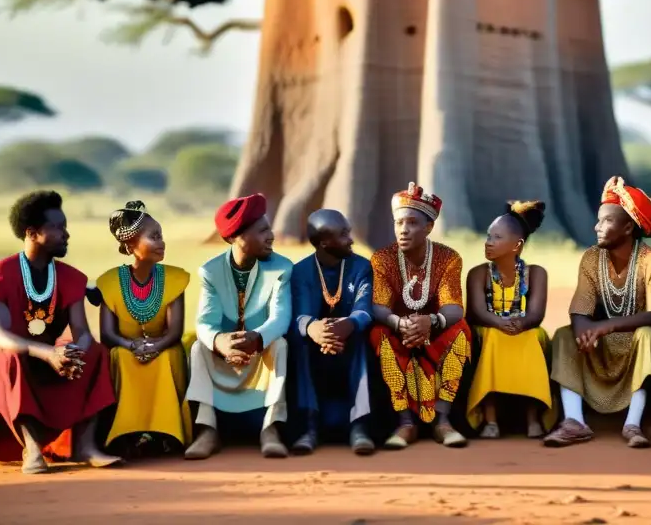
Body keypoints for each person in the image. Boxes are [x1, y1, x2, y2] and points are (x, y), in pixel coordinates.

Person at [0, 190, 119, 473]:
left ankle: (86, 444)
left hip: (49, 353)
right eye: (57, 227)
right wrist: (48, 353)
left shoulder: (70, 277)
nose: (66, 234)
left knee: (95, 352)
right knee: (10, 358)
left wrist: (74, 352)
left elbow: (81, 330)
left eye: (65, 226)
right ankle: (31, 449)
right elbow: (1, 338)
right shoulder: (0, 275)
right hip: (7, 357)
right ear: (32, 233)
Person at [545, 176, 651, 449]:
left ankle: (633, 423)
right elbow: (580, 309)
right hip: (598, 345)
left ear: (628, 227)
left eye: (606, 221)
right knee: (565, 335)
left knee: (649, 335)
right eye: (598, 220)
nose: (597, 227)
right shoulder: (592, 258)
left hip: (633, 343)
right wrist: (583, 331)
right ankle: (574, 421)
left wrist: (607, 326)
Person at [184, 193, 292, 460]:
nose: (271, 235)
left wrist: (256, 339)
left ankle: (271, 428)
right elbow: (205, 322)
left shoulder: (282, 268)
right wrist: (221, 342)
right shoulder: (210, 271)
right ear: (236, 238)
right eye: (263, 230)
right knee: (199, 347)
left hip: (260, 350)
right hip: (225, 354)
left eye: (269, 228)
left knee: (280, 344)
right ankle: (207, 430)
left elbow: (280, 317)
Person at [370, 182, 471, 449]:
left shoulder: (448, 258)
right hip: (399, 331)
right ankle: (405, 423)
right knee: (378, 333)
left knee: (461, 330)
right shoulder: (382, 259)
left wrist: (431, 322)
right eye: (398, 222)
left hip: (434, 331)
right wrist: (400, 323)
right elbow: (379, 306)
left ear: (429, 227)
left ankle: (443, 421)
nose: (403, 230)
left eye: (412, 223)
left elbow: (453, 307)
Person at [96, 201, 191, 455]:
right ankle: (127, 434)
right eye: (154, 236)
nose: (162, 242)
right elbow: (107, 334)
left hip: (164, 346)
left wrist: (155, 345)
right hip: (126, 348)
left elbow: (175, 332)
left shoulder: (174, 278)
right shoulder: (109, 281)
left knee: (170, 355)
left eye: (161, 235)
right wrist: (132, 345)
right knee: (121, 357)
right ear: (131, 247)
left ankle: (167, 434)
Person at [287, 209, 375, 456]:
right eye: (344, 234)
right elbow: (300, 314)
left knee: (362, 336)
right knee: (300, 341)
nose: (351, 239)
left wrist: (346, 326)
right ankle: (309, 427)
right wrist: (313, 328)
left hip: (350, 343)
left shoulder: (362, 267)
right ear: (325, 242)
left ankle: (360, 426)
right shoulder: (301, 271)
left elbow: (364, 309)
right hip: (316, 347)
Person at [465, 200, 554, 439]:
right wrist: (499, 323)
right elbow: (475, 312)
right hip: (489, 328)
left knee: (533, 337)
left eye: (497, 237)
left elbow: (536, 314)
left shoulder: (536, 273)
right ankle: (490, 419)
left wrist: (521, 324)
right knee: (493, 338)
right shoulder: (478, 273)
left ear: (517, 245)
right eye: (488, 236)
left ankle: (533, 417)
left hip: (523, 327)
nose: (488, 242)